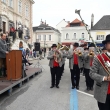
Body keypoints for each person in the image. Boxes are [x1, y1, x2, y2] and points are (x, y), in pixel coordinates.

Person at [90, 34, 110, 110]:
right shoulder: (98, 58)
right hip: (103, 93)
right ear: (106, 45)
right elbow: (92, 74)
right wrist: (105, 78)